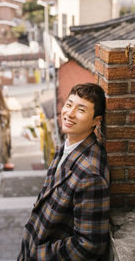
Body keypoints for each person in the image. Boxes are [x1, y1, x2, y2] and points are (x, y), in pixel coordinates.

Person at [17, 83, 110, 261]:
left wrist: (38, 254)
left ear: (95, 121)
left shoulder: (90, 174)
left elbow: (90, 245)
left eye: (81, 110)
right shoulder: (66, 146)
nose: (69, 113)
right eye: (69, 105)